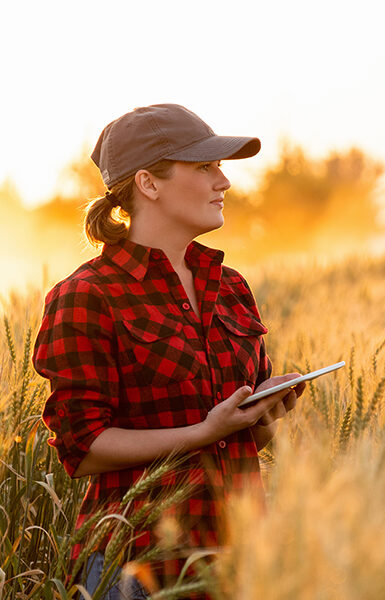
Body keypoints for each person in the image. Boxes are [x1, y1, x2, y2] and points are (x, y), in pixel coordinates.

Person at [32, 103, 305, 599]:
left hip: (237, 558)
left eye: (219, 167)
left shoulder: (231, 287)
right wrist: (205, 431)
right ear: (148, 184)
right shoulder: (88, 295)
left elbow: (235, 446)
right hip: (136, 567)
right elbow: (83, 447)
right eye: (204, 167)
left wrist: (261, 416)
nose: (224, 182)